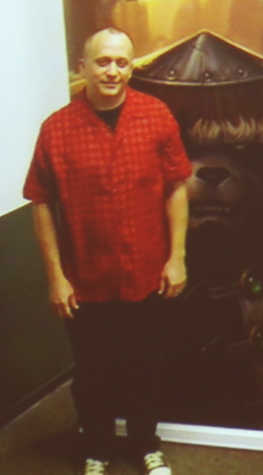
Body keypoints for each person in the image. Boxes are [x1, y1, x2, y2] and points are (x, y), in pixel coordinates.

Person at [23, 28, 191, 475]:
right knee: (92, 372)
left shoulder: (155, 115)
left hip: (146, 273)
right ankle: (95, 449)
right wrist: (55, 277)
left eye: (122, 62)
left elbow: (176, 187)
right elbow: (41, 203)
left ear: (131, 67)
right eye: (103, 61)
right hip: (86, 279)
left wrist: (177, 257)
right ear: (83, 67)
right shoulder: (57, 129)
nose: (113, 71)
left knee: (146, 368)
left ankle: (145, 445)